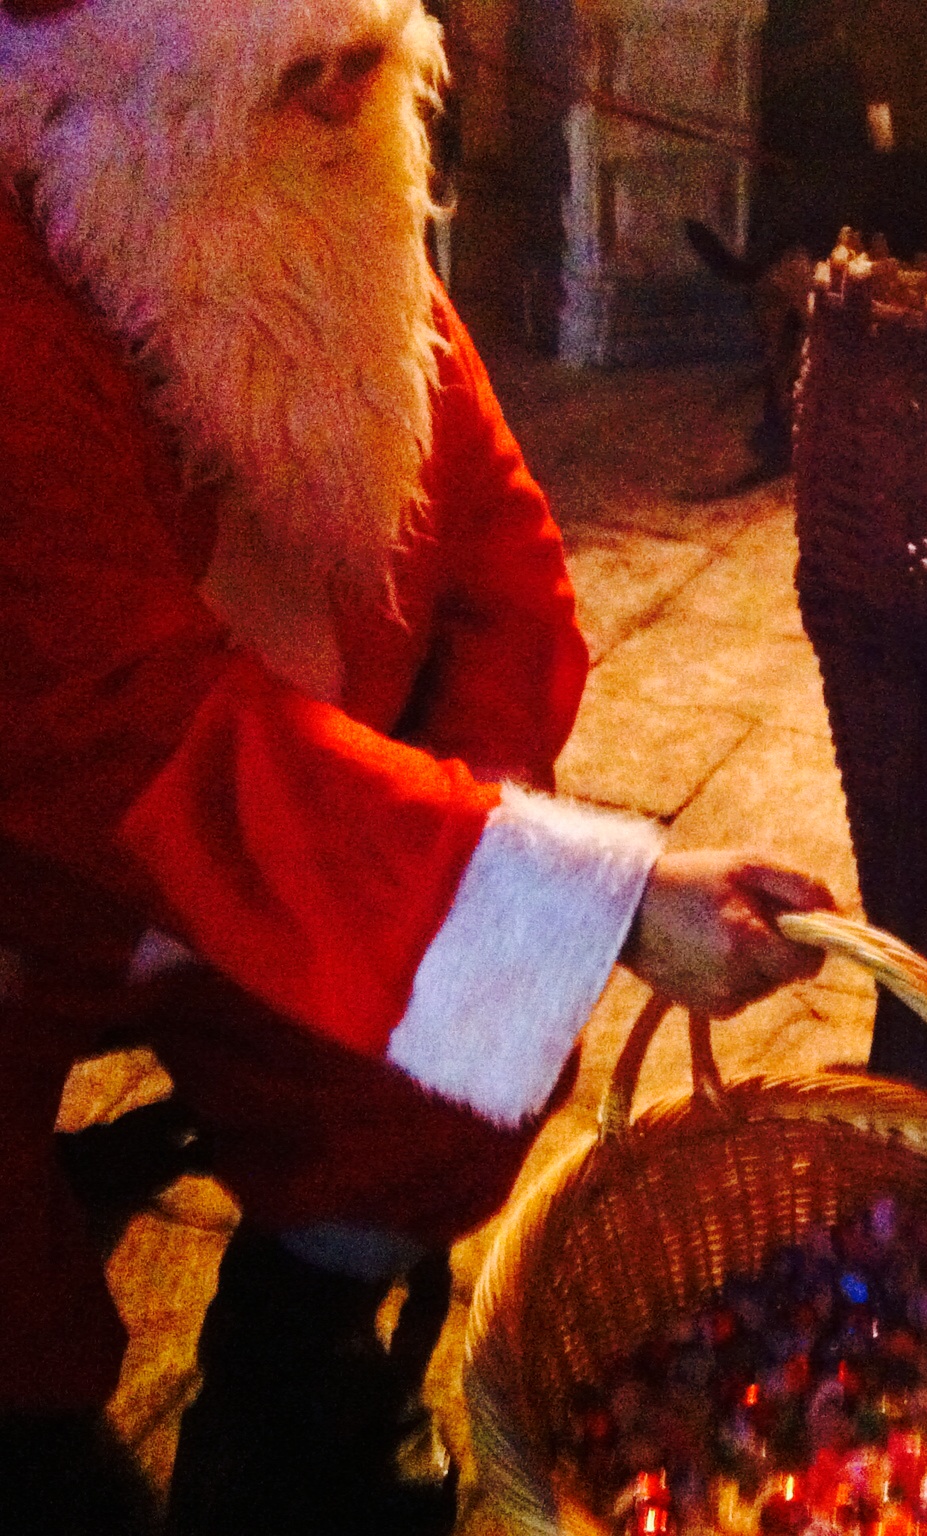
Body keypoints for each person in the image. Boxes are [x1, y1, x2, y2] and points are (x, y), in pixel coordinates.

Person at [0, 3, 835, 1533]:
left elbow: (506, 582)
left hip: (297, 849)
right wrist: (587, 898)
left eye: (361, 64)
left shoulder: (315, 228)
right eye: (287, 76)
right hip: (36, 887)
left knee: (472, 1036)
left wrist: (470, 864)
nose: (340, 99)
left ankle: (293, 1373)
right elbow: (138, 743)